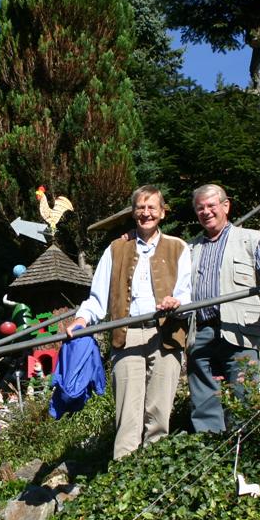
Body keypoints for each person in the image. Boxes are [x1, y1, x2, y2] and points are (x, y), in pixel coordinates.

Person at [66, 185, 189, 459]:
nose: (146, 213)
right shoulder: (116, 248)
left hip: (166, 333)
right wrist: (82, 318)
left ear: (162, 212)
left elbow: (186, 292)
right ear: (134, 212)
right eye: (141, 208)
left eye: (152, 208)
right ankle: (123, 474)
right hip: (127, 333)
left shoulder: (178, 247)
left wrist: (176, 303)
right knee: (127, 412)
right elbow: (98, 295)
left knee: (159, 412)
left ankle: (152, 473)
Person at [178, 183, 260, 433]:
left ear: (225, 206)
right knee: (203, 399)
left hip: (239, 329)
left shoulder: (249, 239)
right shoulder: (189, 249)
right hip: (201, 331)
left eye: (211, 206)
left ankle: (245, 453)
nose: (206, 212)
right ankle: (210, 452)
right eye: (200, 208)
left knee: (244, 395)